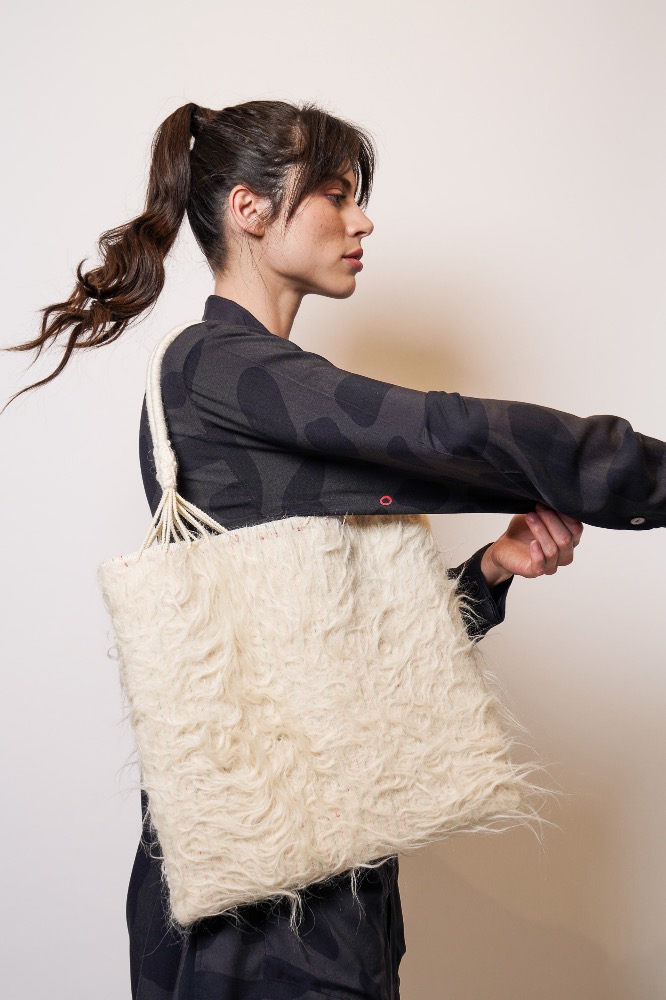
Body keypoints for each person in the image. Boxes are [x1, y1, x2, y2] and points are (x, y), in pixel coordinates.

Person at [3, 98, 665, 999]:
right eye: (335, 194)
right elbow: (444, 432)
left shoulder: (251, 387)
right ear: (248, 209)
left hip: (316, 884)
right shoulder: (218, 368)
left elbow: (340, 664)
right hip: (260, 922)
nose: (363, 221)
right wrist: (645, 478)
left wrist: (489, 572)